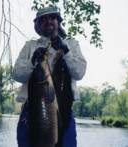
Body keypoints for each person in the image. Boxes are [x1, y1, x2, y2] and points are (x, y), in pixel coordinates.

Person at [12, 6, 87, 147]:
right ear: (38, 26)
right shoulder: (30, 46)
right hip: (32, 109)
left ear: (58, 22)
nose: (48, 21)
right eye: (43, 19)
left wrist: (66, 50)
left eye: (52, 18)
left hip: (64, 109)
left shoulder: (71, 44)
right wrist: (33, 61)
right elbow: (17, 75)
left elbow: (79, 72)